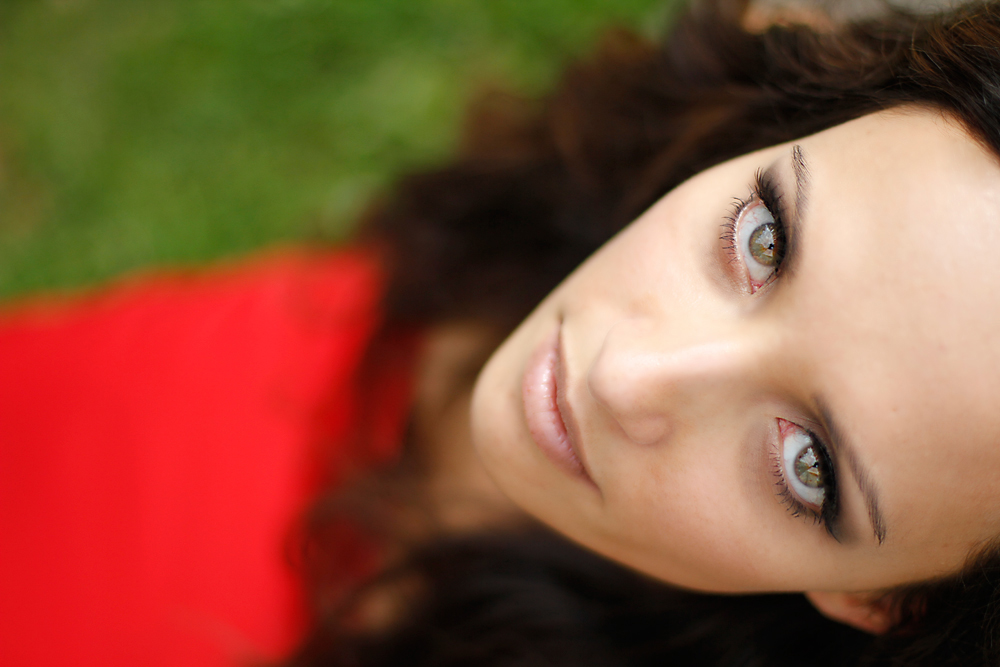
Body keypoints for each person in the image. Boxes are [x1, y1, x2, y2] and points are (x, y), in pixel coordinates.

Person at [3, 1, 1000, 666]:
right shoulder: (637, 152)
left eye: (805, 465)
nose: (627, 379)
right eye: (763, 236)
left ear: (889, 604)